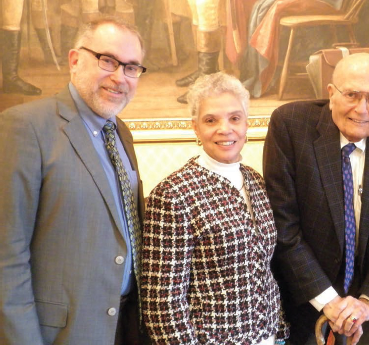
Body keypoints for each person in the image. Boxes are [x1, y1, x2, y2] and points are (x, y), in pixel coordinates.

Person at [0, 17, 148, 344]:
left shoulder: (121, 132)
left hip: (126, 327)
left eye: (132, 67)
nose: (119, 77)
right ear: (74, 60)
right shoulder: (25, 127)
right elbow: (6, 258)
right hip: (61, 334)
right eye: (108, 61)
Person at [264, 53, 369, 344]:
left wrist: (366, 304)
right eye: (352, 95)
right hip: (305, 301)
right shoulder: (291, 125)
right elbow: (283, 227)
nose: (362, 109)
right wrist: (329, 302)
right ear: (331, 93)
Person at [141, 72, 289, 344]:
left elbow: (265, 269)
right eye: (211, 120)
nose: (225, 129)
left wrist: (278, 331)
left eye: (235, 118)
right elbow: (162, 303)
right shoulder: (174, 194)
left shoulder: (256, 180)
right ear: (195, 127)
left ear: (246, 124)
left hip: (268, 337)